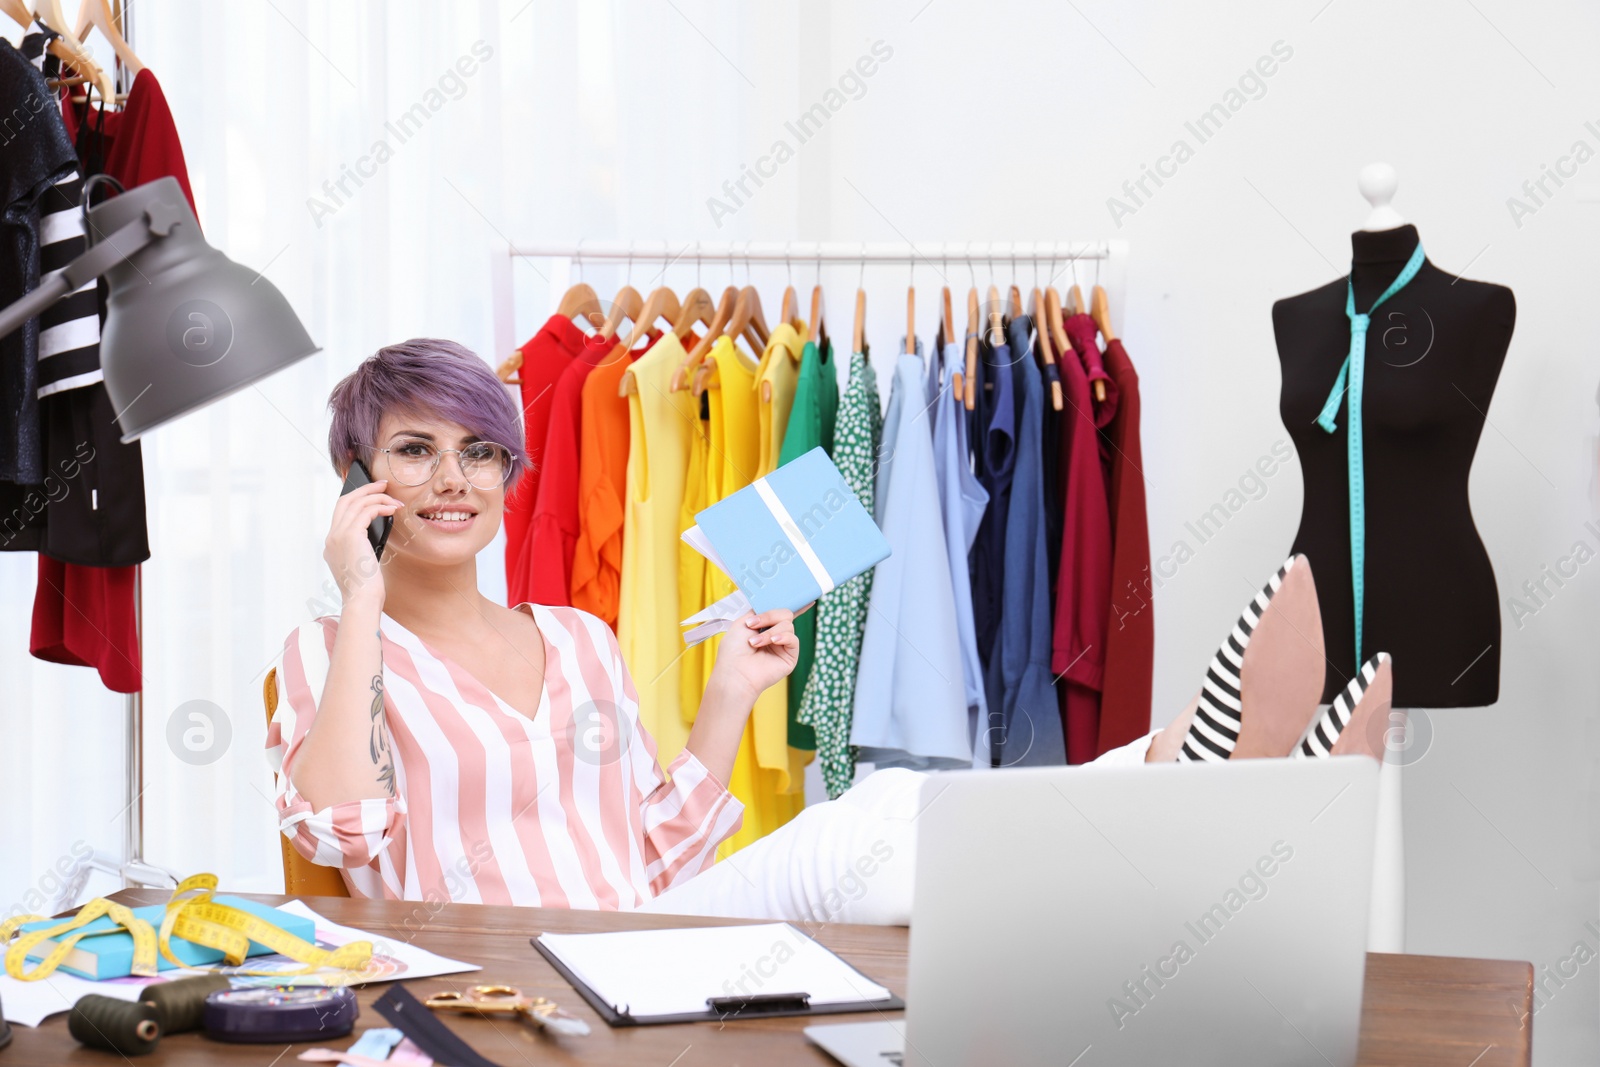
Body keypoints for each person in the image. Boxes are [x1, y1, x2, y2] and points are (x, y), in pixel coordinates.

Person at [267, 338, 1392, 924]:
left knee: (891, 836)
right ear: (359, 478)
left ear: (510, 472)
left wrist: (729, 695)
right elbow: (345, 829)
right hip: (509, 976)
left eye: (480, 452)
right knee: (883, 818)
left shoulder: (578, 636)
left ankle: (1182, 773)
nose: (451, 479)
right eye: (414, 450)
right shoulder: (327, 650)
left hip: (641, 941)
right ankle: (1180, 772)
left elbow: (655, 849)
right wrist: (359, 597)